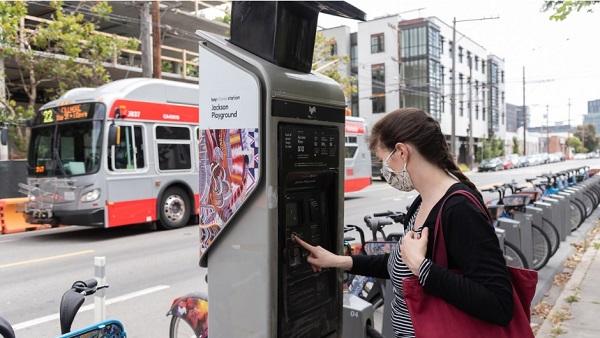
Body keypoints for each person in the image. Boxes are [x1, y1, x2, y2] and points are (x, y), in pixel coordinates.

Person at [294, 108, 513, 338]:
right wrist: (340, 261)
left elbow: (498, 304)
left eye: (383, 162)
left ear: (401, 151)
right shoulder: (422, 202)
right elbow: (401, 262)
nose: (384, 172)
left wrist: (422, 267)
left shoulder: (458, 210)